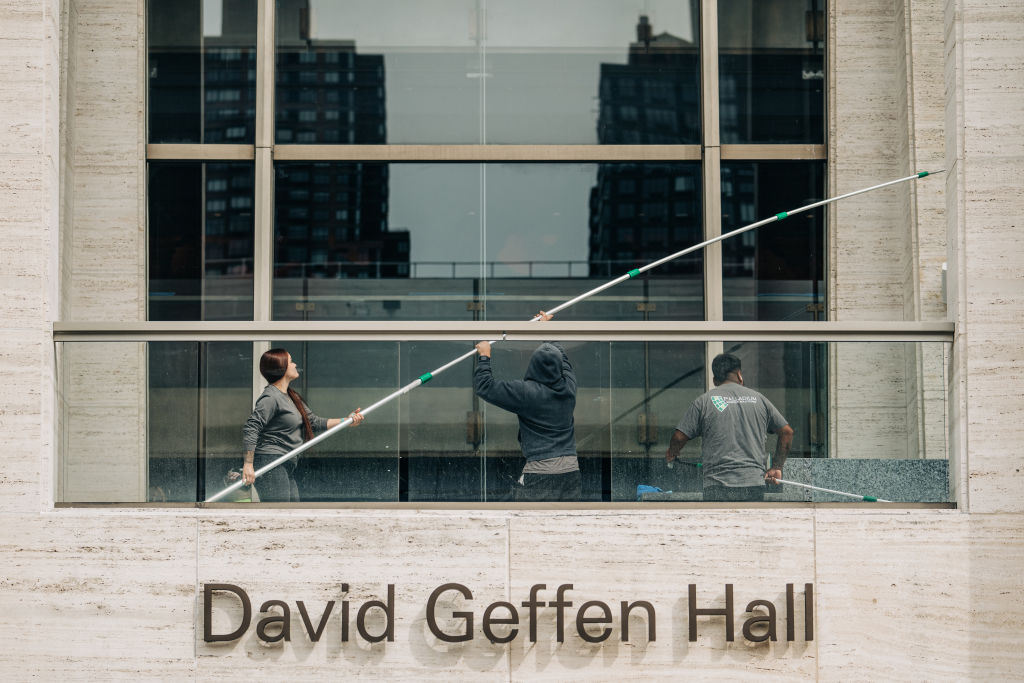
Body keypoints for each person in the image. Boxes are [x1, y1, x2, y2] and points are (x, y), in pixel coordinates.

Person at [474, 312, 580, 501]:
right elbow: (561, 357)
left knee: (529, 521)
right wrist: (547, 331)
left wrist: (484, 356)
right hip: (572, 470)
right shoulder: (569, 386)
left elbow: (484, 386)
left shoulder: (525, 393)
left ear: (533, 365)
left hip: (541, 471)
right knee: (566, 524)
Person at [664, 353, 794, 502]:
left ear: (714, 380)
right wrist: (776, 467)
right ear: (739, 374)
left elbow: (679, 437)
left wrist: (673, 453)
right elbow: (787, 433)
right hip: (753, 485)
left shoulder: (704, 401)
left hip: (717, 486)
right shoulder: (759, 400)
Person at [241, 348, 363, 502]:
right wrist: (248, 464)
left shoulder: (292, 397)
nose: (295, 364)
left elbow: (314, 422)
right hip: (271, 462)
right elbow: (251, 427)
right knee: (281, 514)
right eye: (291, 361)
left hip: (286, 462)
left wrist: (347, 420)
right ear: (282, 367)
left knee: (293, 512)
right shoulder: (270, 397)